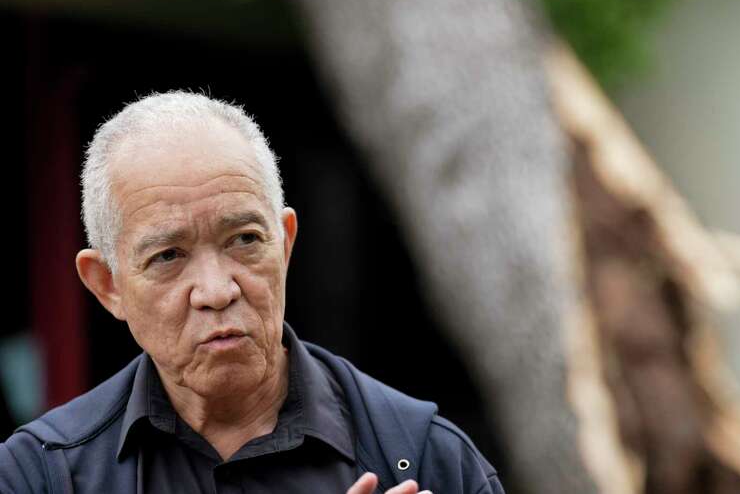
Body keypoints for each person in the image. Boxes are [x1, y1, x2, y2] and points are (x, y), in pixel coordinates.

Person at [0, 91, 504, 494]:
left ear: (284, 244)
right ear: (108, 285)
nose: (217, 292)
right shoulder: (42, 474)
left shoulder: (423, 457)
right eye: (168, 256)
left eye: (244, 240)